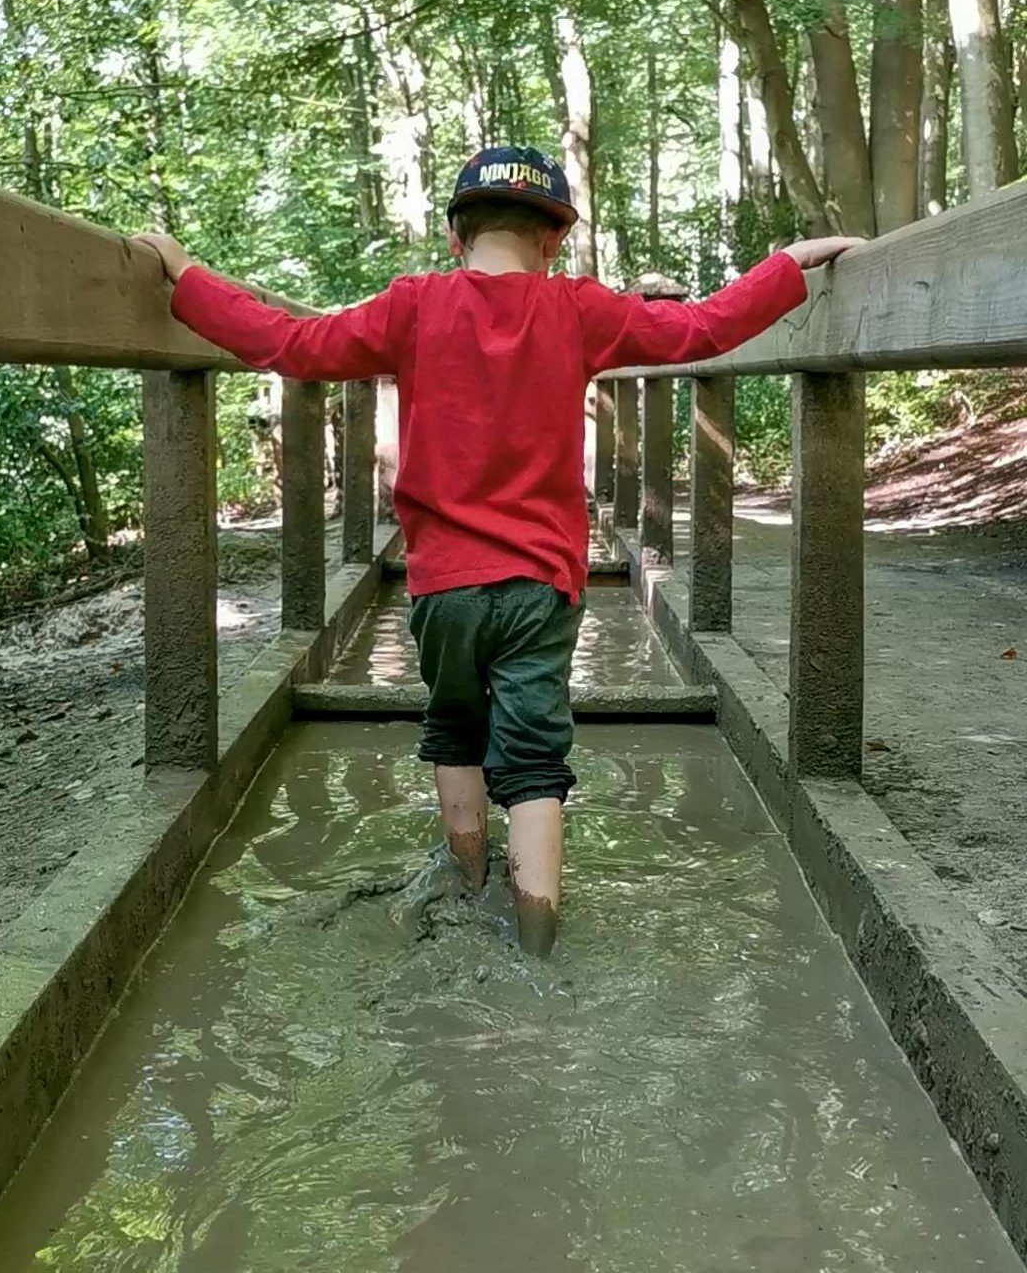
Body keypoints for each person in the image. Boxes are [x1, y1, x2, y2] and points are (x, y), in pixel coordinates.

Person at [133, 145, 861, 955]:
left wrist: (186, 276)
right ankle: (538, 943)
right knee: (535, 754)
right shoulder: (581, 309)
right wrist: (789, 265)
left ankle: (468, 880)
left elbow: (290, 344)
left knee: (454, 726)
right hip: (543, 582)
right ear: (553, 242)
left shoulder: (410, 307)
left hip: (443, 582)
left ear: (455, 235)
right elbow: (699, 328)